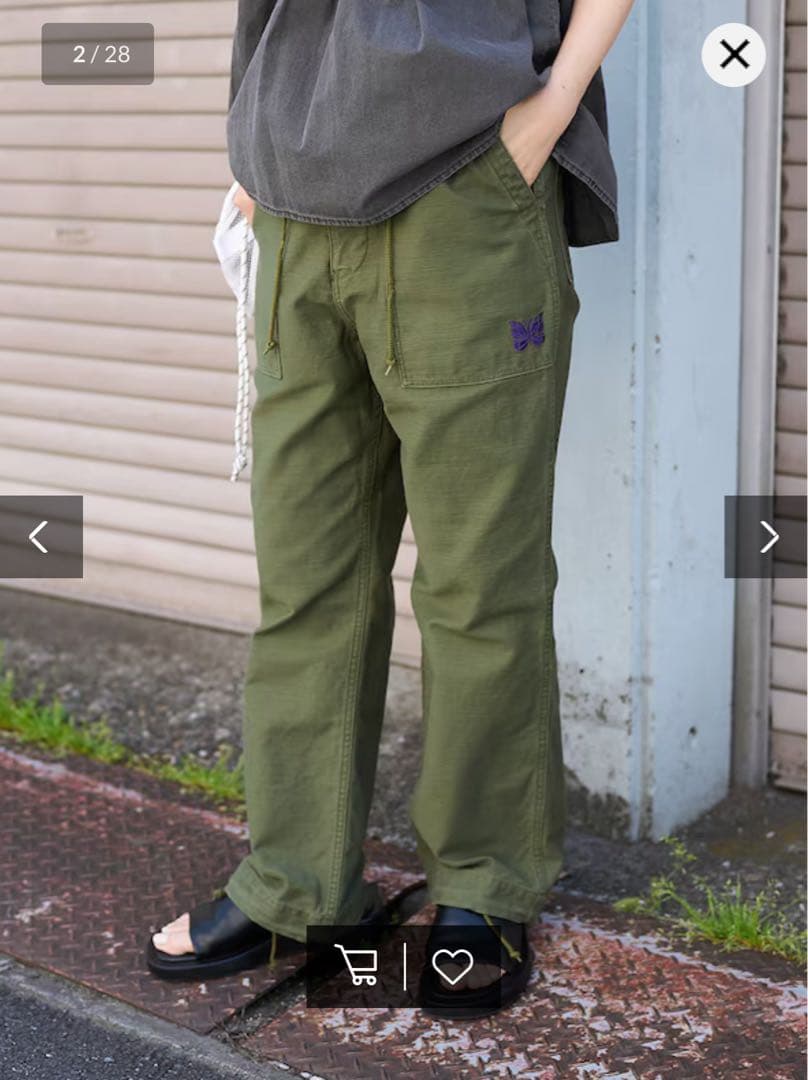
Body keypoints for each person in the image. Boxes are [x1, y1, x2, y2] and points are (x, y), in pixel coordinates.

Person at [146, 0, 635, 1018]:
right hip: (291, 204)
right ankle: (296, 886)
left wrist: (548, 110)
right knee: (307, 580)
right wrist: (257, 151)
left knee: (479, 582)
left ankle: (485, 887)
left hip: (464, 187)